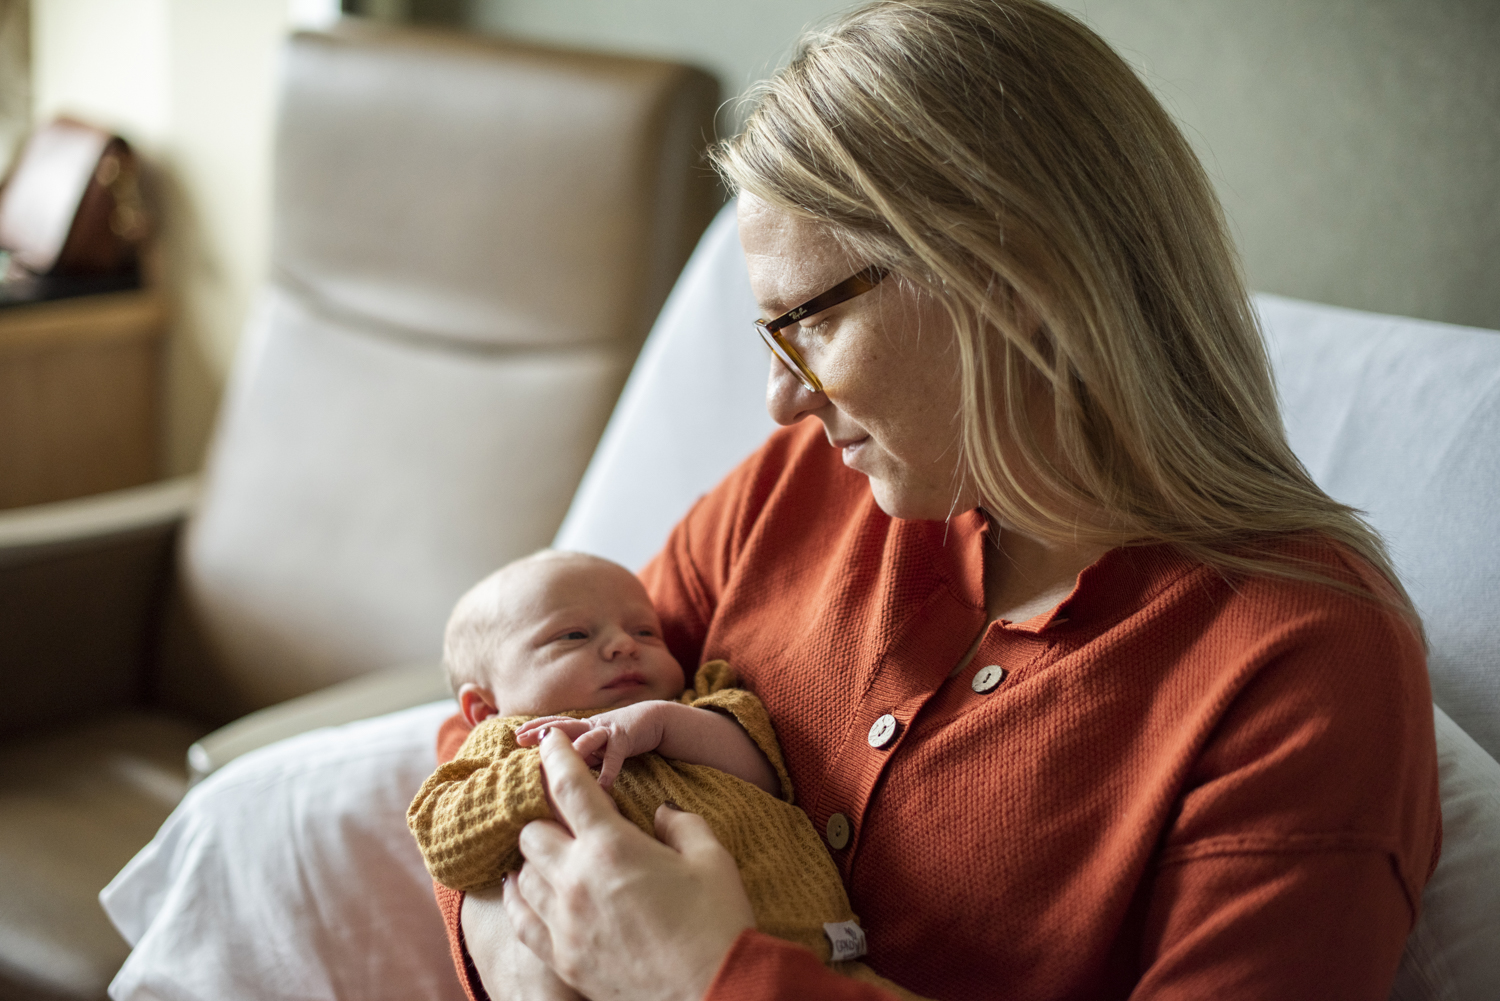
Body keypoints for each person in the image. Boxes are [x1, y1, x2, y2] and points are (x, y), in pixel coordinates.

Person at [442, 1, 1442, 998]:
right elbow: (497, 709)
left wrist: (705, 975)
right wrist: (526, 946)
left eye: (807, 324)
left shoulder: (1300, 666)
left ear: (1003, 270)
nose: (782, 400)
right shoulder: (792, 495)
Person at [409, 551, 916, 1000]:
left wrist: (662, 722)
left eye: (645, 631)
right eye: (574, 636)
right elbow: (440, 834)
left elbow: (769, 773)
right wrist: (540, 779)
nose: (623, 646)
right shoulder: (505, 744)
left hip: (823, 965)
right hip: (604, 973)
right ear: (485, 706)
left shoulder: (699, 703)